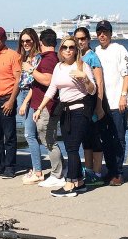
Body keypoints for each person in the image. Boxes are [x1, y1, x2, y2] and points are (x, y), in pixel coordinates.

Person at [35, 36, 96, 197]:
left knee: (73, 148)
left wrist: (85, 78)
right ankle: (80, 182)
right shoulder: (59, 67)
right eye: (64, 47)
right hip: (65, 111)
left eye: (71, 47)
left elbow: (93, 90)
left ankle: (70, 183)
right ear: (60, 50)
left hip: (80, 109)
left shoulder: (82, 66)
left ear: (76, 50)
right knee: (70, 145)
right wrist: (40, 108)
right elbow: (52, 88)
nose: (68, 50)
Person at [94, 20, 128, 187]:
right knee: (105, 139)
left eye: (105, 32)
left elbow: (127, 73)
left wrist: (123, 95)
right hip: (102, 104)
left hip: (118, 102)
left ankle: (118, 172)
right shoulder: (95, 51)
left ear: (111, 33)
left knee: (118, 138)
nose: (102, 35)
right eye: (99, 32)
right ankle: (110, 170)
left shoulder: (119, 49)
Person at [25, 28, 64, 186]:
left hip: (47, 106)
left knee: (48, 141)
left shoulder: (48, 60)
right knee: (49, 139)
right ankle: (61, 171)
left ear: (41, 43)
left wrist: (31, 70)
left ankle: (57, 175)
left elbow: (47, 81)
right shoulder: (53, 58)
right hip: (49, 105)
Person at [0, 26, 22, 178]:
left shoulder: (13, 55)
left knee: (10, 135)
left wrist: (11, 101)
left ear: (4, 38)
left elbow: (18, 80)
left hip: (7, 98)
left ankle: (10, 166)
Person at [74, 26, 107, 179]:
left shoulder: (92, 57)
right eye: (77, 39)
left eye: (82, 38)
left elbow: (99, 82)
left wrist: (99, 106)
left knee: (95, 137)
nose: (80, 42)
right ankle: (88, 170)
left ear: (88, 39)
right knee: (85, 138)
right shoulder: (76, 57)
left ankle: (98, 171)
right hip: (81, 104)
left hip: (93, 102)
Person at [15, 28, 44, 181]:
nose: (25, 43)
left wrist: (25, 102)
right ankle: (36, 168)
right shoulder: (25, 58)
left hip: (31, 96)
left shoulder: (37, 58)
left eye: (28, 40)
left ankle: (38, 172)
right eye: (23, 41)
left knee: (29, 134)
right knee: (31, 134)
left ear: (34, 41)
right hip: (22, 93)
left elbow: (35, 85)